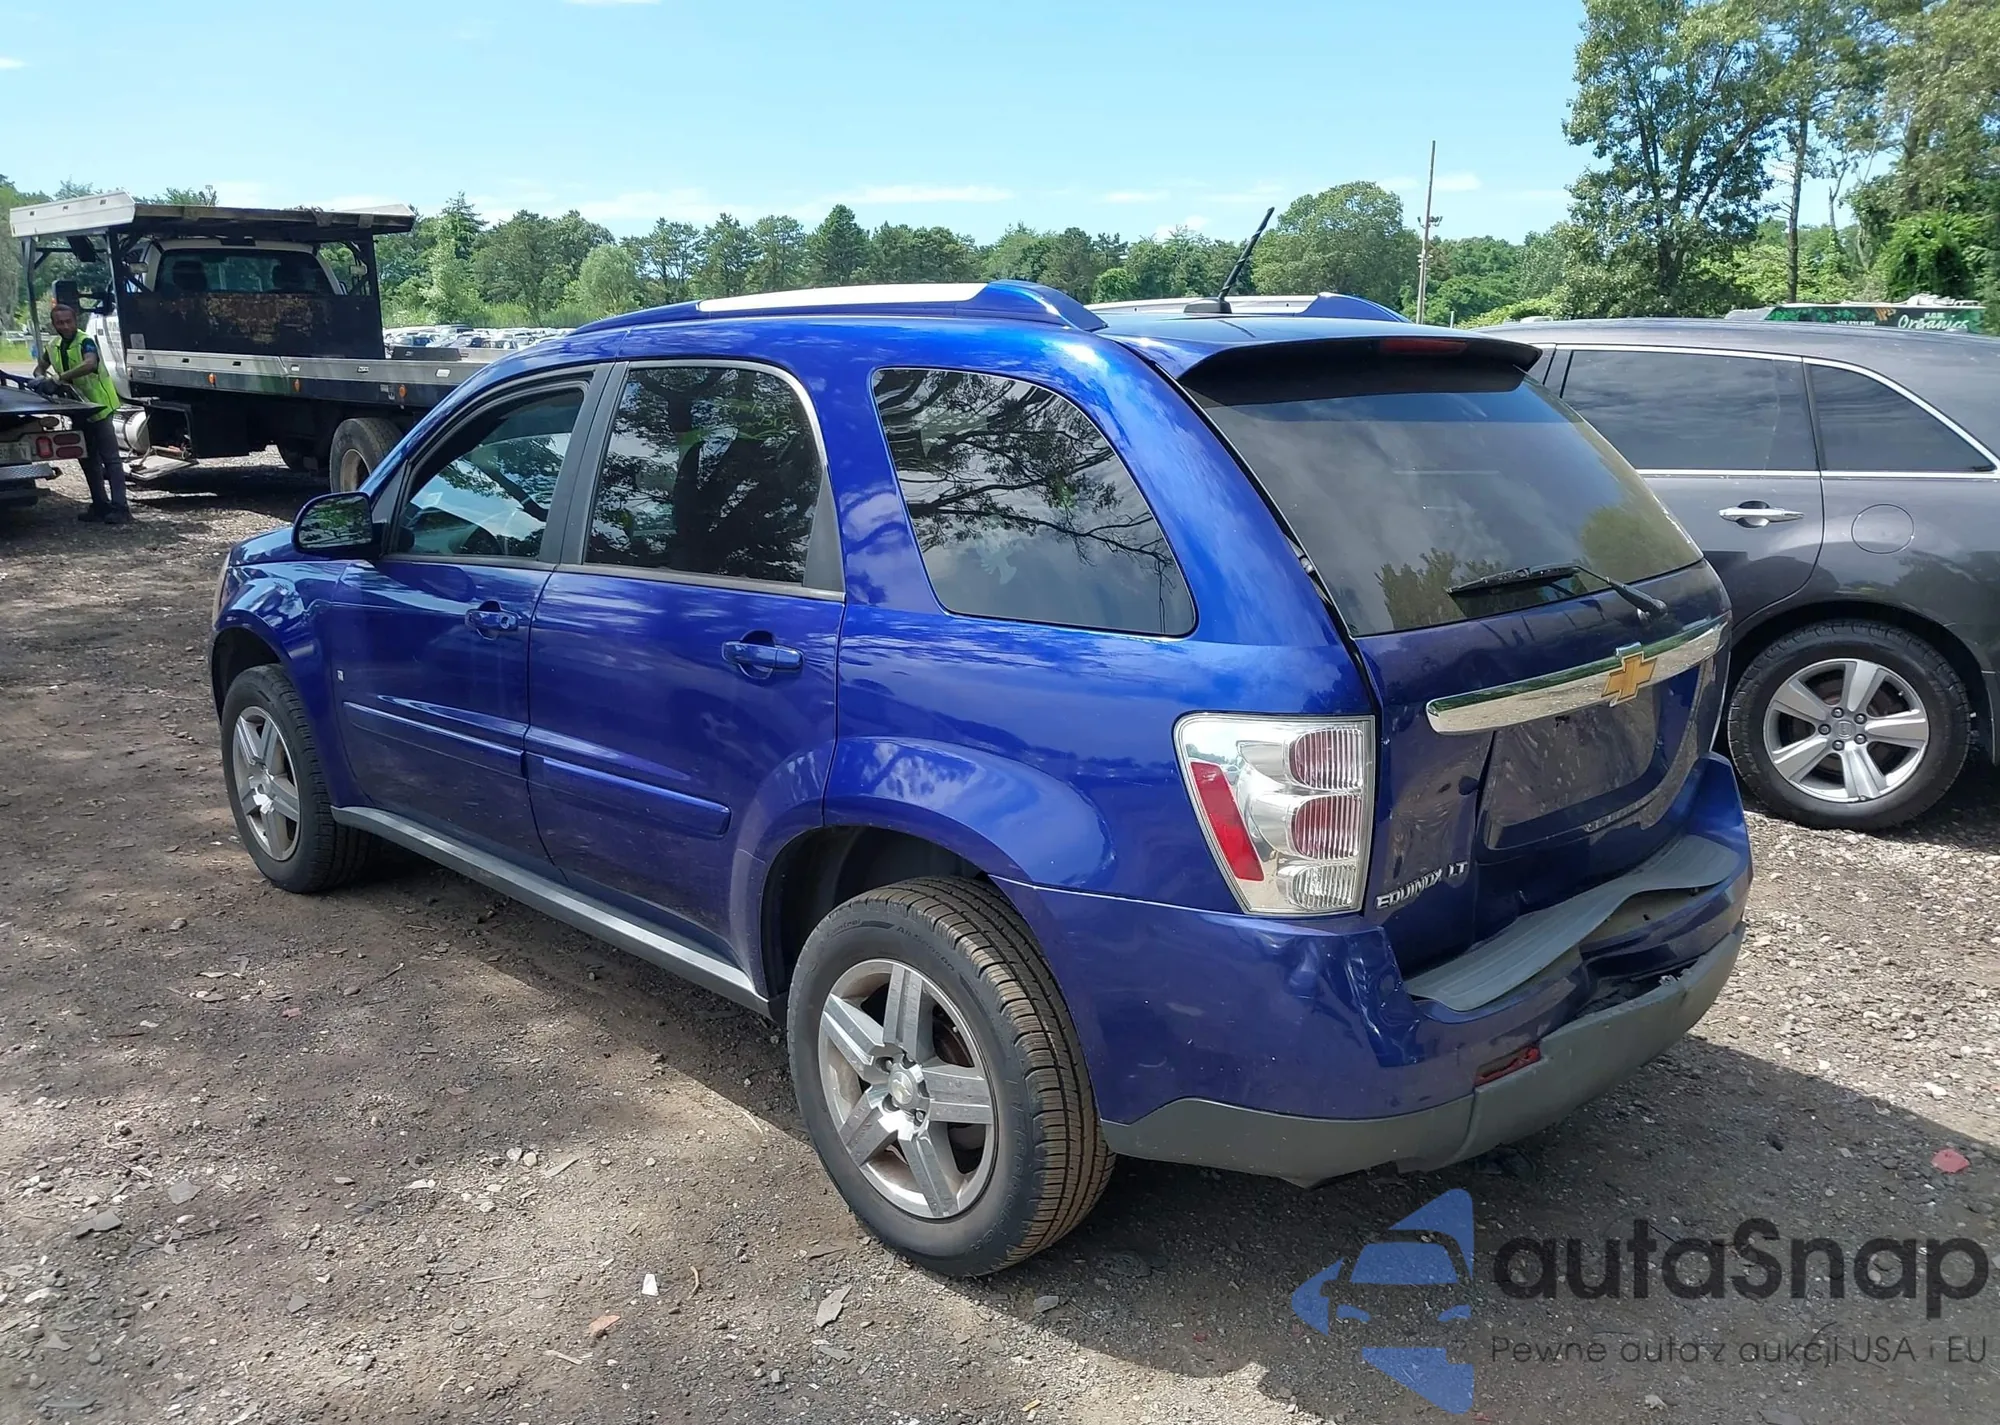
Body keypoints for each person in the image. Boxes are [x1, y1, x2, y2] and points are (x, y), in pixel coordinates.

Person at [34, 302, 131, 523]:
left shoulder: (85, 341)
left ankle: (121, 508)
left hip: (100, 407)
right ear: (54, 324)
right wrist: (41, 379)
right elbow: (40, 367)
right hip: (78, 410)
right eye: (60, 323)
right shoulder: (53, 345)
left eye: (68, 321)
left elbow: (90, 364)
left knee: (111, 460)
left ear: (75, 321)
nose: (65, 326)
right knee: (87, 459)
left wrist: (59, 378)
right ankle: (100, 504)